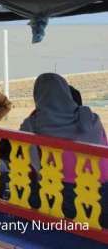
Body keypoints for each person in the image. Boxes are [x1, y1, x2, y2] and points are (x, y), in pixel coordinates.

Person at [20, 73, 108, 224]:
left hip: (62, 198)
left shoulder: (33, 125)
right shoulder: (91, 118)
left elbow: (30, 165)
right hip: (103, 196)